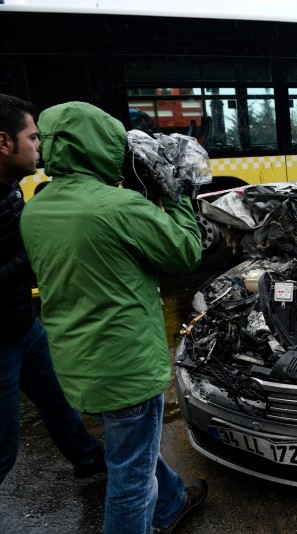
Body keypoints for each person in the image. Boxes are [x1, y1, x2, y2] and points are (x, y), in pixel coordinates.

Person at [19, 101, 207, 534]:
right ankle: (154, 509)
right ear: (100, 144)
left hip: (77, 363)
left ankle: (173, 501)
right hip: (126, 366)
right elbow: (184, 252)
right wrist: (178, 197)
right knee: (131, 480)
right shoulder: (118, 207)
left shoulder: (37, 207)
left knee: (130, 448)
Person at [0, 93, 107, 486]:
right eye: (33, 138)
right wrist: (35, 245)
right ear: (4, 142)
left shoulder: (12, 185)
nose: (39, 147)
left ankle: (88, 458)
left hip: (23, 327)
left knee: (58, 400)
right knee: (3, 446)